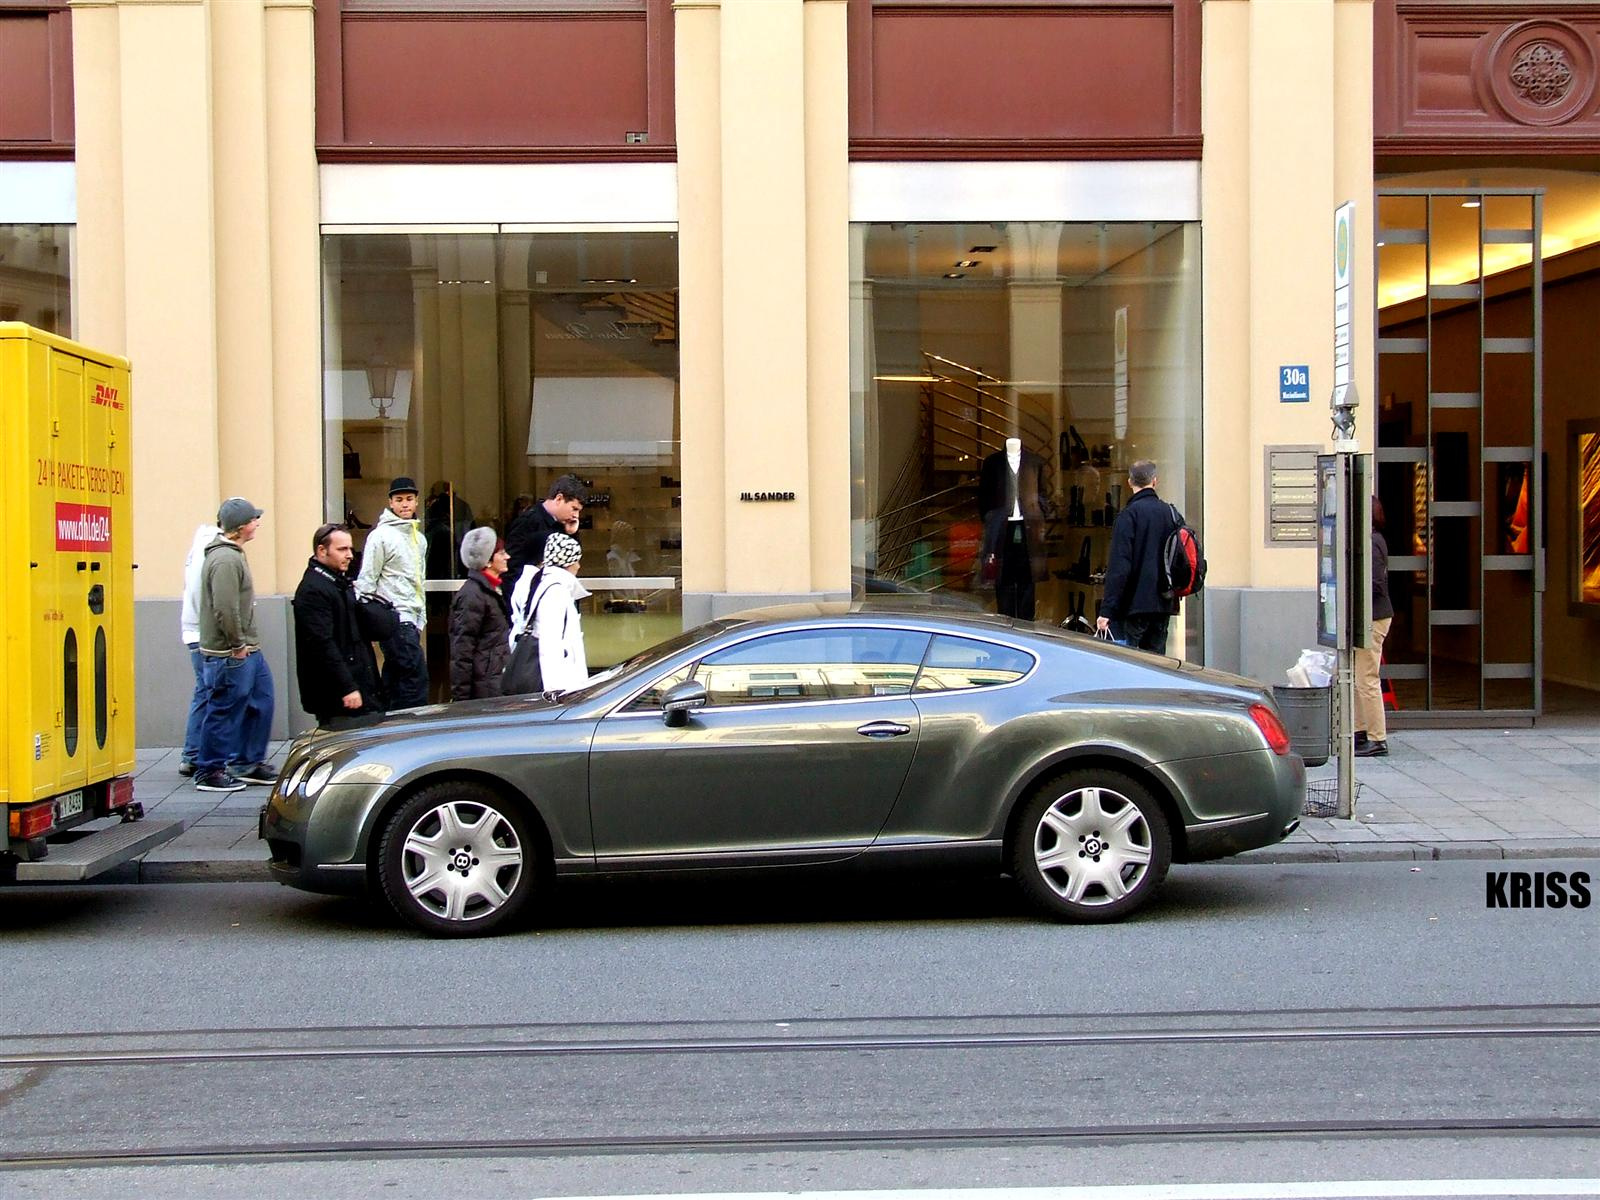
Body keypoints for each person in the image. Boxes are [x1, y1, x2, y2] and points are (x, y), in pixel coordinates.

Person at [193, 497, 276, 792]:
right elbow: (225, 608)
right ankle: (210, 770)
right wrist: (237, 644)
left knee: (261, 702)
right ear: (241, 527)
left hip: (246, 648)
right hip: (230, 652)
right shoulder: (225, 559)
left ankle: (248, 762)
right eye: (254, 519)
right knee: (224, 709)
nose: (257, 523)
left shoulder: (233, 554)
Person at [292, 523, 383, 729]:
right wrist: (347, 687)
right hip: (336, 694)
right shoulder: (314, 589)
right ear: (322, 551)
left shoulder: (338, 583)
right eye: (342, 549)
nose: (350, 555)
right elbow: (322, 645)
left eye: (350, 549)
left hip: (357, 681)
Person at [356, 476, 430, 709]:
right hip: (393, 617)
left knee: (396, 675)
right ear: (390, 503)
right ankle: (409, 724)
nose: (405, 504)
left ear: (417, 501)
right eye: (399, 500)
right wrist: (371, 619)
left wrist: (421, 618)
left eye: (409, 499)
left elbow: (419, 579)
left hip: (412, 618)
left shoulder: (419, 539)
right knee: (414, 677)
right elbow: (367, 579)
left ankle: (387, 721)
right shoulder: (380, 536)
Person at [1096, 459, 1179, 654]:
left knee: (1130, 663)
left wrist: (1107, 610)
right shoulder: (1171, 513)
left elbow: (1120, 567)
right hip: (1163, 602)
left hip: (1134, 605)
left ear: (1130, 482)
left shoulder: (1128, 516)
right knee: (1157, 665)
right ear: (1155, 481)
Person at [508, 532, 590, 694]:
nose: (579, 566)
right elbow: (550, 643)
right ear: (567, 561)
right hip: (560, 683)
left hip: (561, 680)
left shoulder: (546, 584)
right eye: (576, 560)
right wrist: (554, 691)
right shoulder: (555, 591)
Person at [977, 437, 1047, 619]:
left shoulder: (1034, 462)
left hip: (1027, 528)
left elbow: (1042, 494)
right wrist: (991, 519)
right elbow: (984, 497)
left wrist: (1038, 513)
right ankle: (1005, 622)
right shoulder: (992, 463)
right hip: (1002, 529)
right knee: (1003, 579)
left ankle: (1026, 624)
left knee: (1028, 579)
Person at [448, 527, 512, 700]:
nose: (507, 557)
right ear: (488, 561)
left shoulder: (491, 590)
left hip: (492, 681)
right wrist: (461, 699)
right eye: (501, 553)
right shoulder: (473, 595)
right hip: (484, 686)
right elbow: (462, 650)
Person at [178, 520, 220, 777]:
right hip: (202, 633)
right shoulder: (211, 548)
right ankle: (193, 754)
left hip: (196, 631)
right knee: (207, 693)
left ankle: (192, 753)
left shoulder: (203, 545)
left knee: (204, 692)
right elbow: (199, 593)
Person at [1355, 495, 1394, 758]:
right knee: (1357, 678)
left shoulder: (1372, 542)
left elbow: (1375, 583)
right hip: (1366, 616)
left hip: (1373, 617)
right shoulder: (1369, 540)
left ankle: (1377, 738)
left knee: (1367, 678)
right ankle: (1360, 731)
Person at [504, 474, 587, 590]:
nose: (576, 516)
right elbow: (512, 569)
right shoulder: (527, 522)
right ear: (559, 499)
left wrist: (572, 533)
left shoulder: (566, 524)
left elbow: (573, 563)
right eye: (574, 508)